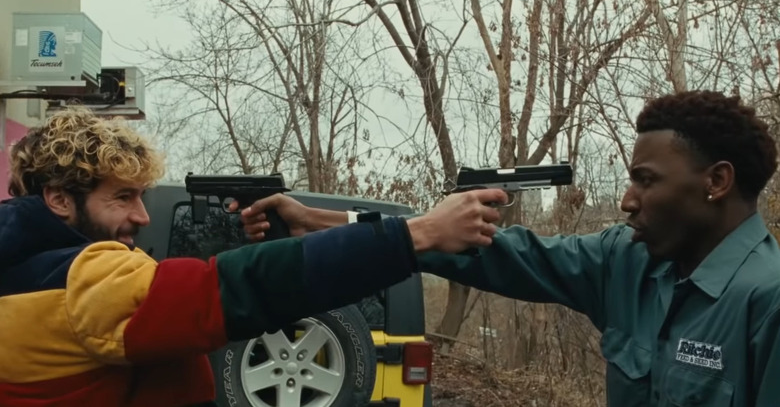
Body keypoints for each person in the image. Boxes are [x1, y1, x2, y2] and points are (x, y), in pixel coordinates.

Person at [244, 90, 780, 407]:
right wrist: (321, 221)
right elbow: (477, 247)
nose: (626, 201)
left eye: (646, 180)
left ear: (717, 182)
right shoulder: (629, 263)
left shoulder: (766, 302)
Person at [0, 106, 508, 407]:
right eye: (122, 198)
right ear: (59, 199)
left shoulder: (22, 273)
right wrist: (413, 234)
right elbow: (235, 289)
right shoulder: (84, 279)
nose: (143, 217)